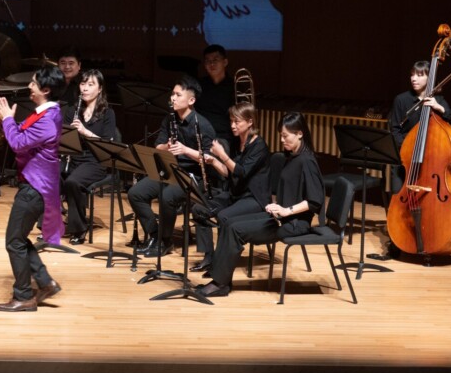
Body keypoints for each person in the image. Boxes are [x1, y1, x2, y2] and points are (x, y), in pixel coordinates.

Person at [198, 111, 325, 297]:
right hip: (281, 217)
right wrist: (277, 206)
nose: (281, 140)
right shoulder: (293, 157)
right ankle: (220, 278)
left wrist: (286, 210)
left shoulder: (307, 161)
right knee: (228, 222)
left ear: (300, 134)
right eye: (281, 136)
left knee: (235, 230)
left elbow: (315, 201)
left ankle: (220, 284)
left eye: (285, 136)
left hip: (294, 224)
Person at [0, 65, 66, 312]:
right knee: (19, 238)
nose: (29, 86)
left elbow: (17, 142)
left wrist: (7, 119)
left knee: (14, 241)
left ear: (46, 89)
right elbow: (19, 133)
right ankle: (45, 282)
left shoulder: (48, 120)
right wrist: (7, 120)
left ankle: (23, 296)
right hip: (34, 184)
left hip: (36, 188)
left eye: (34, 83)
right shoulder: (43, 113)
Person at [127, 75, 217, 258]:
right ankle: (156, 236)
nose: (172, 98)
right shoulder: (169, 119)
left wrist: (185, 150)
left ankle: (166, 241)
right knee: (135, 193)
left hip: (193, 176)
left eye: (178, 95)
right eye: (172, 94)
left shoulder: (203, 125)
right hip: (170, 170)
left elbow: (210, 159)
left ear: (191, 100)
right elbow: (158, 147)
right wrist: (167, 147)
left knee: (167, 196)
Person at [190, 102, 270, 274]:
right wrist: (214, 161)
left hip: (254, 198)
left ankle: (220, 264)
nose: (232, 125)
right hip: (236, 194)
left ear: (250, 122)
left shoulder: (259, 146)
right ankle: (209, 257)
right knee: (199, 208)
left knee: (223, 216)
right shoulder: (236, 142)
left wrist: (222, 154)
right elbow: (229, 173)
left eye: (237, 121)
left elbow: (241, 172)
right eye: (231, 121)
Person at [60, 68, 118, 245]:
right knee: (48, 175)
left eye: (91, 84)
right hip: (73, 156)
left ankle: (78, 228)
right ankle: (50, 224)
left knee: (73, 182)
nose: (85, 88)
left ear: (100, 89)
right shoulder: (72, 110)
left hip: (95, 160)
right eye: (83, 83)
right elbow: (63, 137)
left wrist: (85, 132)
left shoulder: (107, 113)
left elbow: (108, 144)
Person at [388, 60, 451, 192]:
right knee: (398, 192)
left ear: (430, 78)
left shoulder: (438, 100)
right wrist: (406, 148)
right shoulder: (401, 100)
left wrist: (438, 107)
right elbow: (395, 129)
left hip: (431, 158)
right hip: (405, 156)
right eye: (412, 74)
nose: (413, 78)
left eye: (419, 75)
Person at [196, 44, 236, 154]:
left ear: (225, 62)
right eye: (208, 61)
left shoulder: (235, 87)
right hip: (200, 134)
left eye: (215, 60)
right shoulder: (199, 85)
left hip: (223, 137)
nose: (211, 64)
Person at [56, 47, 84, 112]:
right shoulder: (52, 83)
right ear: (58, 65)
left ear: (79, 65)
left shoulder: (85, 84)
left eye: (71, 63)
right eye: (63, 63)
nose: (67, 67)